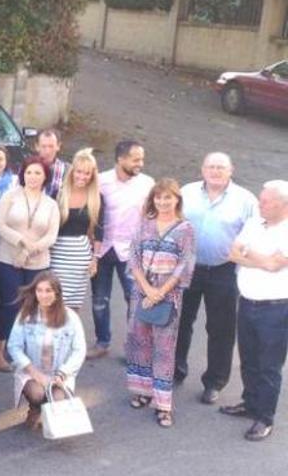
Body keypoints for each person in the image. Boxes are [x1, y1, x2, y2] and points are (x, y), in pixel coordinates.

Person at [176, 152, 259, 404]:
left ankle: (214, 382)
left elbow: (255, 233)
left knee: (221, 329)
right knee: (180, 321)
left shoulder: (245, 200)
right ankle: (175, 371)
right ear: (202, 169)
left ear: (231, 170)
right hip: (187, 267)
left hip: (224, 270)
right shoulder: (186, 192)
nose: (215, 171)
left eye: (221, 167)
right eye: (211, 166)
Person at [125, 178, 195, 428]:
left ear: (177, 199)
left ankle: (163, 404)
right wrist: (146, 288)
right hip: (141, 292)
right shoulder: (144, 225)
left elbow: (185, 264)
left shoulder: (185, 228)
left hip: (169, 294)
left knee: (164, 349)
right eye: (158, 197)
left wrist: (160, 291)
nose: (163, 202)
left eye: (168, 197)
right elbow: (133, 256)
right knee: (139, 342)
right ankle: (142, 391)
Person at [221, 181, 288, 442]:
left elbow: (275, 266)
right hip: (247, 302)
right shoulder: (254, 222)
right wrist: (260, 257)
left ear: (283, 205)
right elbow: (232, 253)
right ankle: (250, 403)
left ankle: (264, 417)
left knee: (269, 366)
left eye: (265, 201)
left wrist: (248, 253)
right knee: (248, 359)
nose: (259, 204)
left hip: (276, 308)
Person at [0, 157, 60, 371]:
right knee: (10, 305)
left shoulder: (51, 204)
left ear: (45, 177)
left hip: (37, 263)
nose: (33, 177)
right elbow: (0, 225)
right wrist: (21, 242)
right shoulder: (10, 196)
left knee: (32, 308)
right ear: (23, 174)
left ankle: (23, 352)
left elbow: (51, 236)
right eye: (29, 172)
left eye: (38, 173)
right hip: (7, 259)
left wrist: (30, 250)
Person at [90, 140, 154, 359]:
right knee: (99, 299)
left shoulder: (147, 184)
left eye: (141, 159)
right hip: (103, 248)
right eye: (135, 159)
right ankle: (102, 342)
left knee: (134, 300)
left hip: (131, 251)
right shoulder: (101, 181)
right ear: (120, 159)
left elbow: (151, 217)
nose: (140, 163)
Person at [7, 271, 87, 429]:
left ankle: (50, 411)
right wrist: (35, 374)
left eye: (48, 291)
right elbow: (13, 346)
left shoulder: (71, 318)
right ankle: (35, 408)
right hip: (32, 372)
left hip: (60, 374)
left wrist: (63, 373)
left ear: (57, 293)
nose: (43, 295)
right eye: (39, 290)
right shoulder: (26, 315)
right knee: (37, 394)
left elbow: (79, 350)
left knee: (57, 400)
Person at [51, 148, 103, 311]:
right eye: (79, 171)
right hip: (57, 254)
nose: (82, 176)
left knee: (72, 306)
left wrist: (95, 259)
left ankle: (70, 336)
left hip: (80, 257)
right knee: (53, 300)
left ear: (92, 175)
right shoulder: (59, 194)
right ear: (72, 171)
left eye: (87, 173)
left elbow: (99, 232)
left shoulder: (96, 198)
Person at [36, 129, 68, 198]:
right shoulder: (28, 168)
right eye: (43, 146)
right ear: (37, 147)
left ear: (58, 146)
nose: (47, 151)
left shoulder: (67, 170)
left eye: (51, 146)